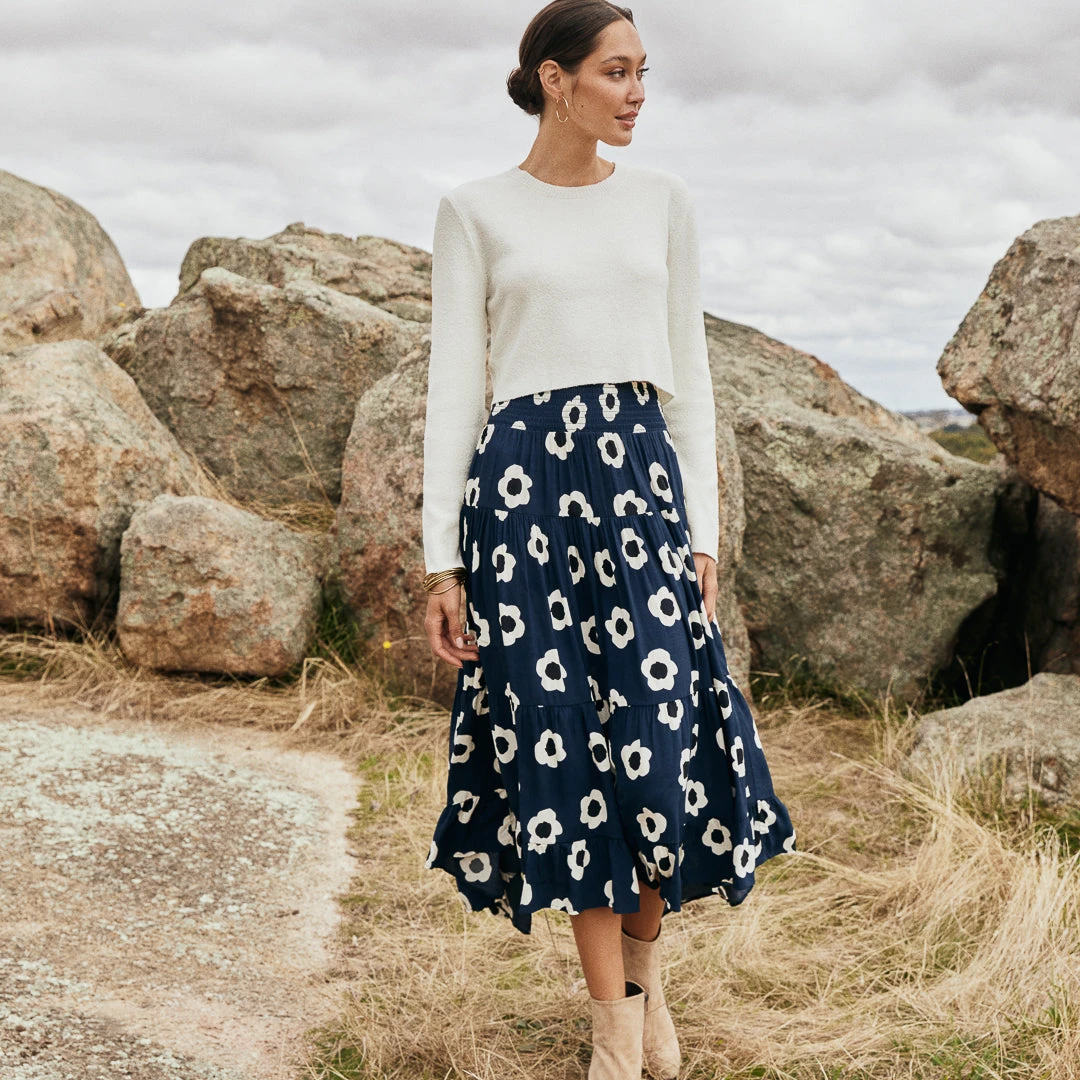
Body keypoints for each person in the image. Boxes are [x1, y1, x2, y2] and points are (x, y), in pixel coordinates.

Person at [420, 2, 796, 1076]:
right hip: (524, 504)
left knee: (658, 748)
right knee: (565, 753)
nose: (636, 93)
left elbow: (691, 380)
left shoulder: (664, 201)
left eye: (643, 73)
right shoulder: (474, 210)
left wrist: (703, 533)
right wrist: (442, 559)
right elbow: (456, 390)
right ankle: (614, 1038)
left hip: (639, 496)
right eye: (615, 72)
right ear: (555, 80)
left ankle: (642, 976)